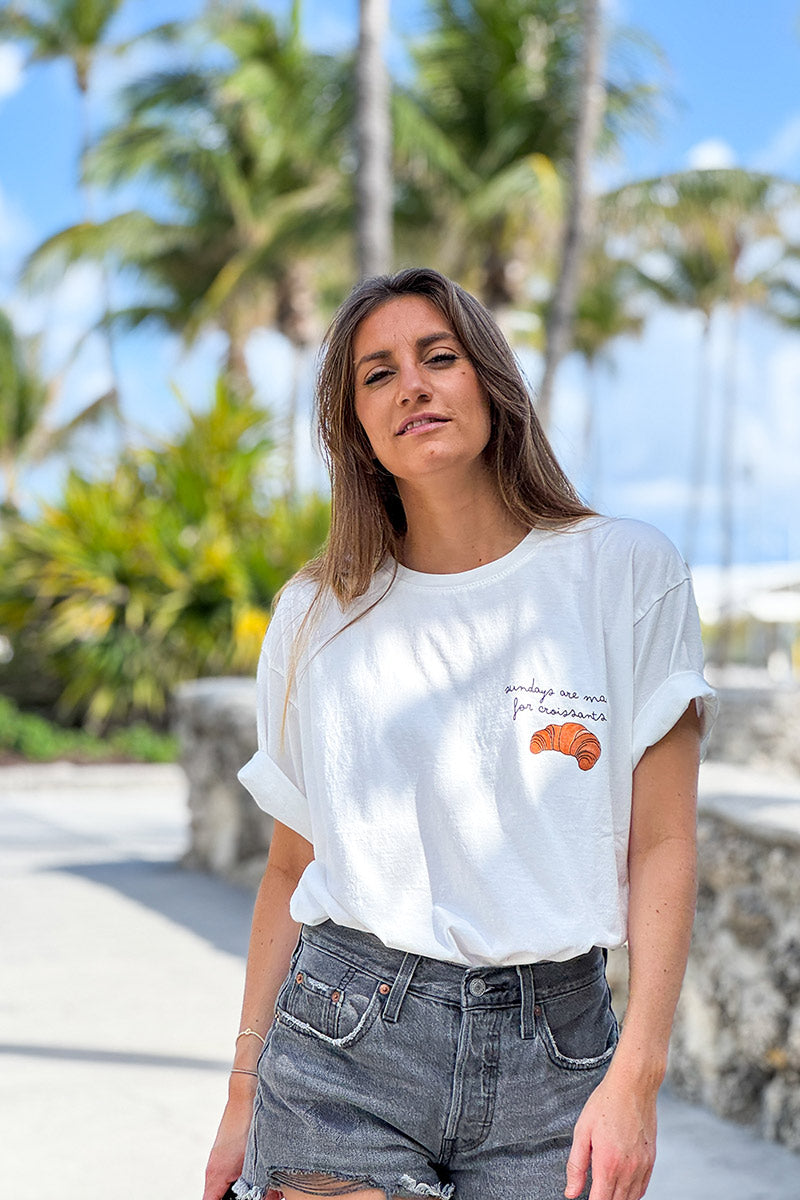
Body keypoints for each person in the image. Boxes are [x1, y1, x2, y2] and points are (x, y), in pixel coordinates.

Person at [202, 267, 717, 1200]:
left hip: (557, 1061)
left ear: (491, 382)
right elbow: (290, 867)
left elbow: (665, 842)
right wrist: (242, 1096)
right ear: (353, 424)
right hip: (342, 1046)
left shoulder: (626, 574)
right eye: (377, 373)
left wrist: (637, 1073)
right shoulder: (317, 616)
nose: (413, 386)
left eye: (440, 357)